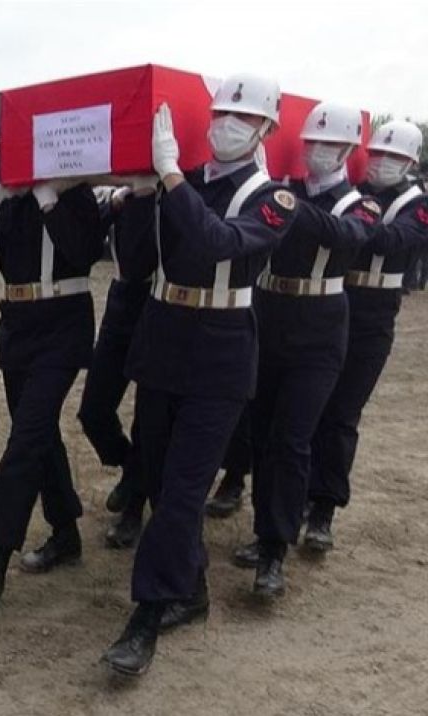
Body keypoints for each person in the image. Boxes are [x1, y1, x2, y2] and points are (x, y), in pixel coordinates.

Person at [100, 75, 298, 677]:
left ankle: (146, 617)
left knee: (185, 490)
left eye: (241, 116)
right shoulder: (175, 184)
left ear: (265, 129)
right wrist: (136, 198)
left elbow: (217, 243)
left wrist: (169, 176)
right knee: (157, 478)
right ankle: (192, 588)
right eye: (217, 113)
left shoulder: (274, 198)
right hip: (164, 340)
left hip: (220, 354)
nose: (224, 124)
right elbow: (135, 265)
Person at [220, 102, 381, 595]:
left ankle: (274, 551)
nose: (316, 151)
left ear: (349, 151)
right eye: (310, 142)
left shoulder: (361, 205)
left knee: (293, 438)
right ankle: (264, 530)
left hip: (320, 329)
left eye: (328, 145)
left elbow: (344, 235)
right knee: (263, 431)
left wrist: (283, 200)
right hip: (268, 315)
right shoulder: (278, 192)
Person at [0, 145, 105, 607]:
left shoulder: (73, 195)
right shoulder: (0, 203)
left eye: (9, 147)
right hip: (17, 328)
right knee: (39, 436)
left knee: (25, 439)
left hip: (62, 326)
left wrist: (47, 197)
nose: (2, 155)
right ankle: (65, 531)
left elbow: (85, 252)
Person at [307, 120, 427, 553]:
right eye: (376, 153)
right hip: (330, 303)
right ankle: (300, 494)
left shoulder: (418, 205)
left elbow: (393, 240)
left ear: (411, 162)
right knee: (308, 409)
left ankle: (323, 508)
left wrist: (346, 224)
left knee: (342, 413)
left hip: (373, 313)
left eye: (393, 157)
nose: (381, 162)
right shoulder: (352, 192)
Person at [75, 178, 157, 550]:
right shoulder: (120, 193)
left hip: (161, 301)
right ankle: (132, 468)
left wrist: (147, 194)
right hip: (122, 296)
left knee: (149, 415)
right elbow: (89, 234)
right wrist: (118, 201)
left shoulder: (177, 189)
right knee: (93, 409)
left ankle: (134, 509)